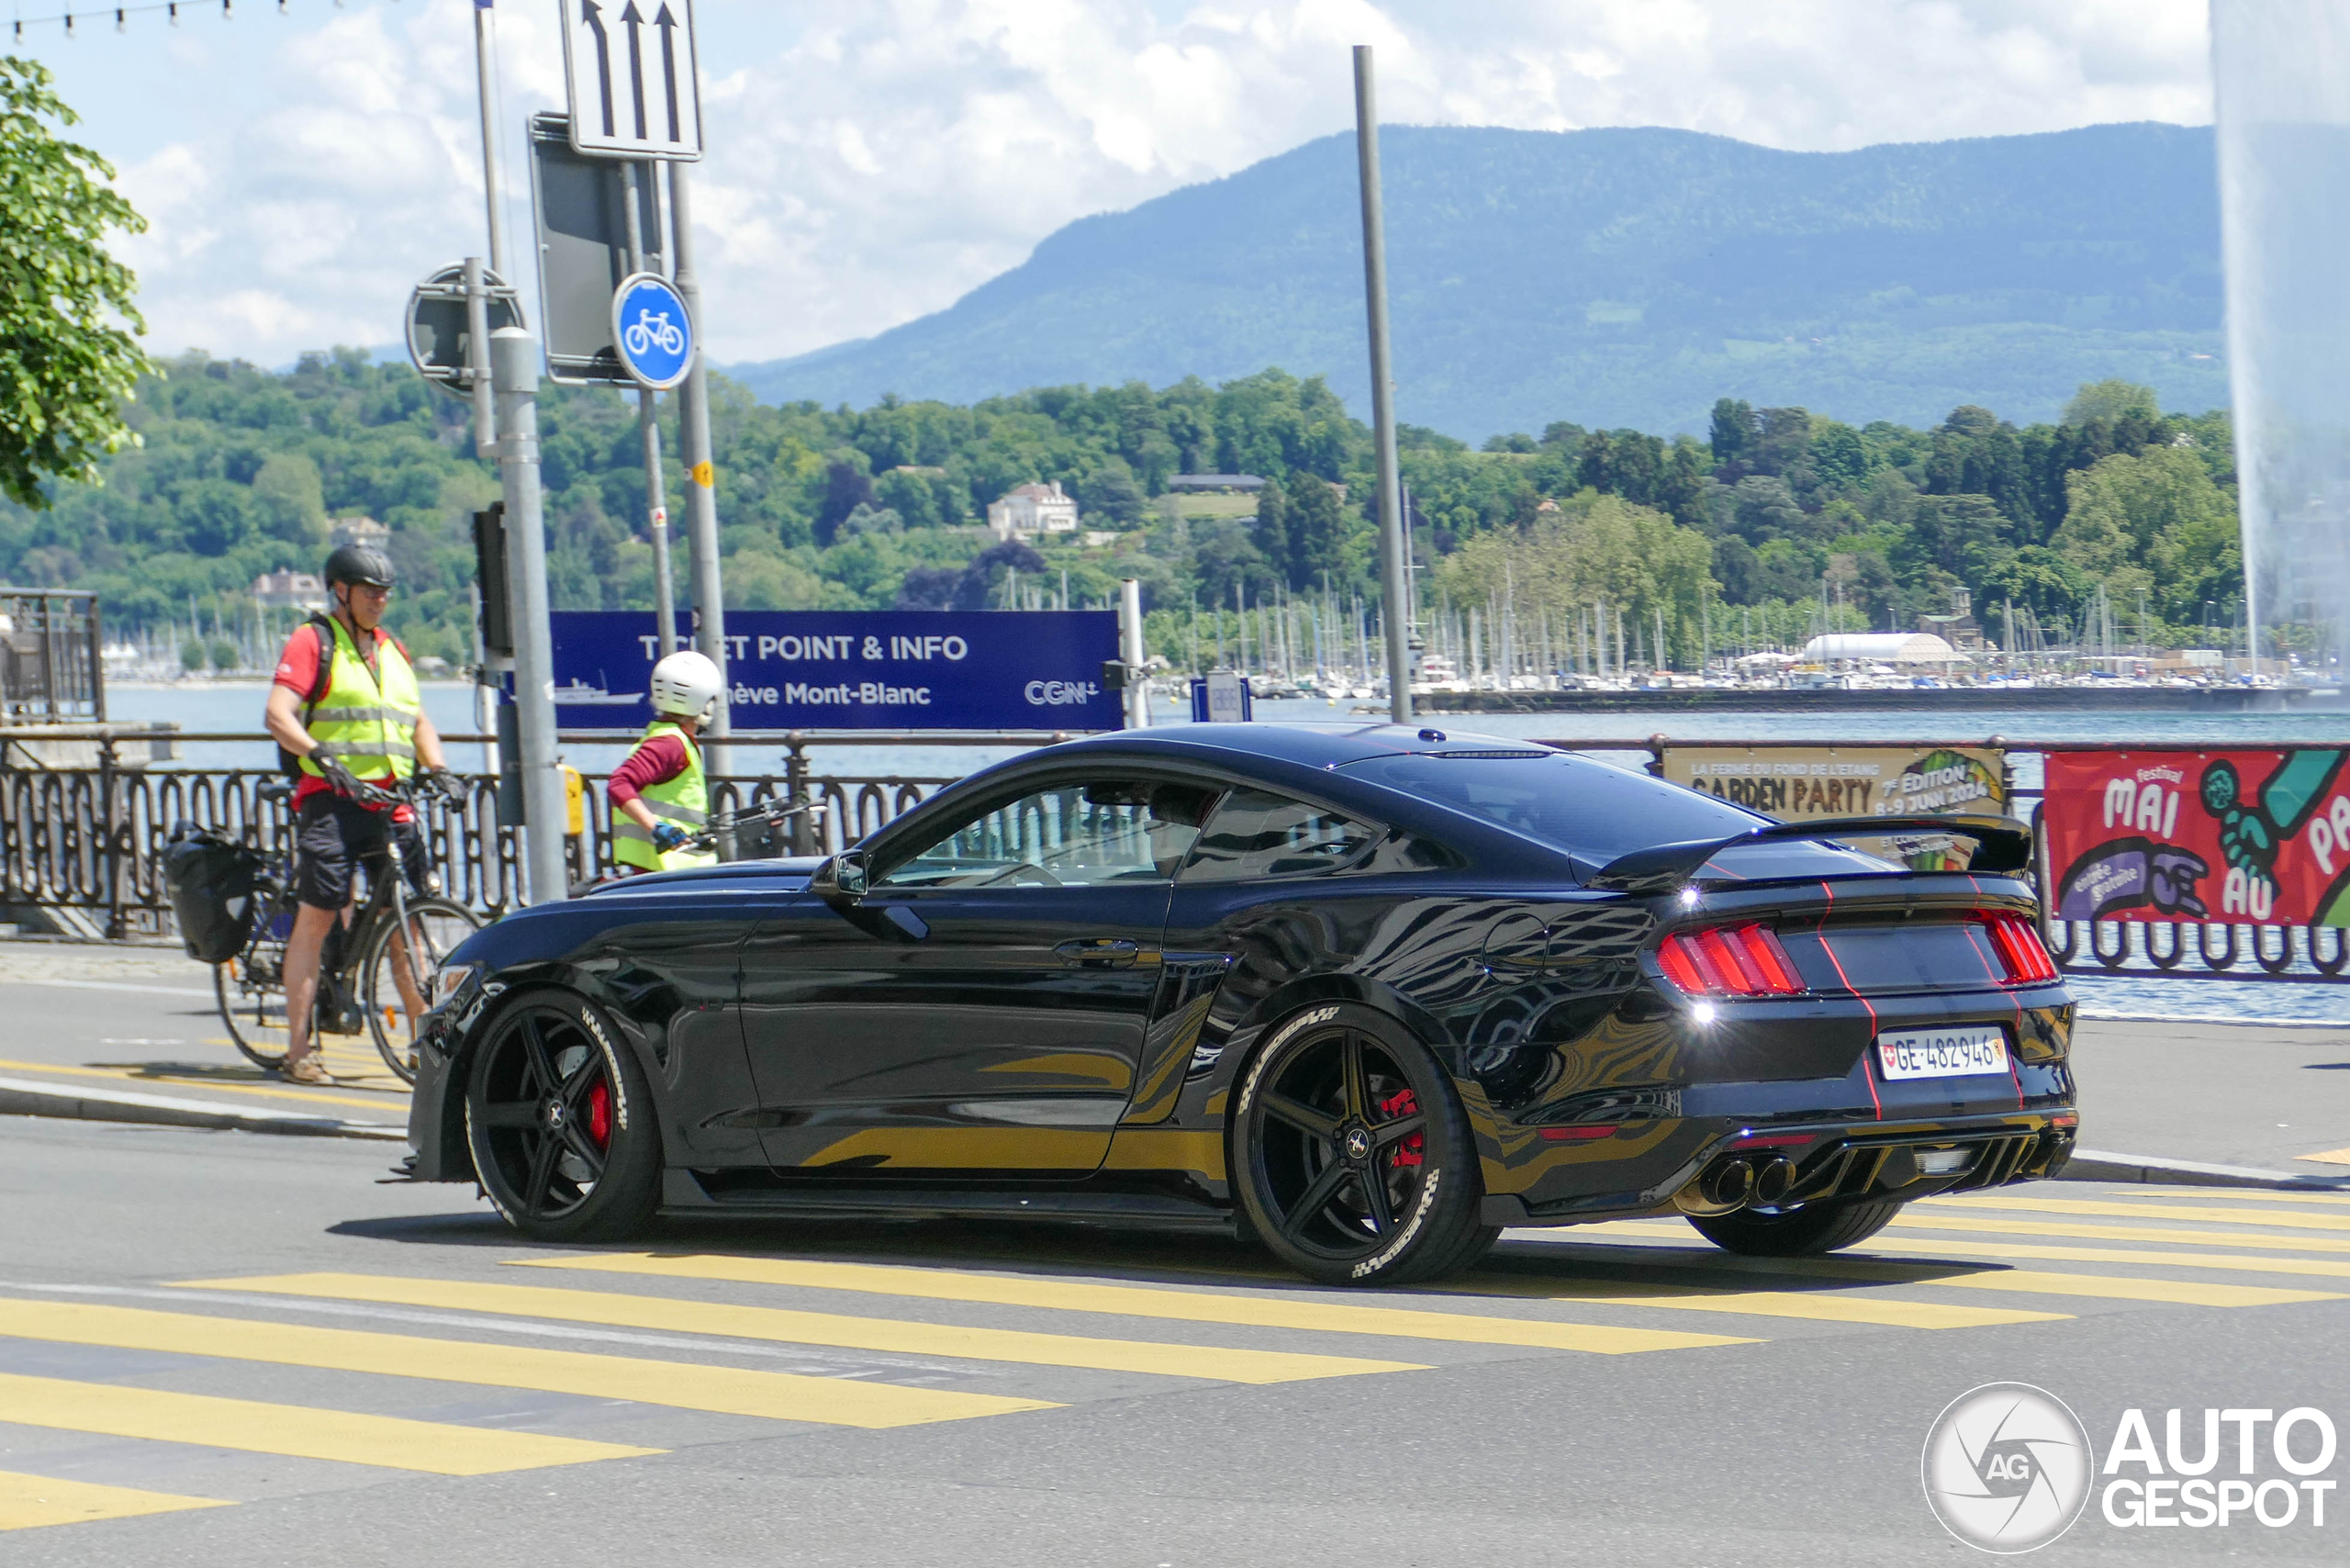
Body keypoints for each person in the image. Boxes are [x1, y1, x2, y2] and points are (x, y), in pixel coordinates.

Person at [263, 543, 457, 1084]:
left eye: (386, 591)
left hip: (388, 800)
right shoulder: (313, 641)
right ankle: (299, 1050)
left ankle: (423, 1048)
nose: (380, 599)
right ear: (341, 591)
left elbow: (417, 721)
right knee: (316, 918)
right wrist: (321, 756)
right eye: (370, 590)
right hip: (330, 799)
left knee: (407, 923)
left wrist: (438, 768)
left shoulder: (394, 650)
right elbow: (278, 714)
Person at [609, 649, 723, 874]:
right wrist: (657, 828)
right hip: (668, 871)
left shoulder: (665, 735)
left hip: (674, 868)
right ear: (702, 702)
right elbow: (619, 783)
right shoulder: (670, 744)